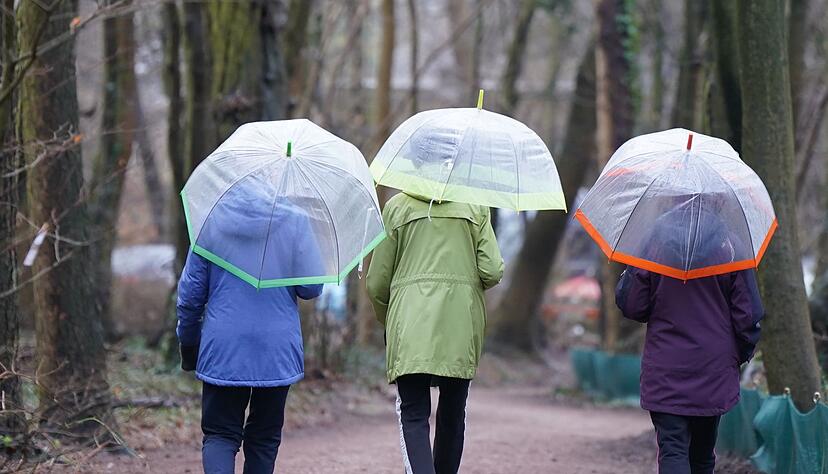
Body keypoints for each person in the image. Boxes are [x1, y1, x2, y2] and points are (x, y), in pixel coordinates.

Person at [176, 191, 323, 474]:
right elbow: (311, 288)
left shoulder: (210, 220)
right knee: (264, 438)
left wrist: (189, 343)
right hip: (276, 347)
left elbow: (190, 297)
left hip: (224, 346)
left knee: (220, 434)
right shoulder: (294, 219)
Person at [615, 208, 764, 474]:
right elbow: (748, 316)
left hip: (666, 366)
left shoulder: (654, 243)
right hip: (713, 367)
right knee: (703, 454)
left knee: (672, 449)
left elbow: (633, 305)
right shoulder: (731, 246)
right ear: (717, 200)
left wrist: (630, 275)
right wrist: (736, 356)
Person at [366, 191, 504, 474]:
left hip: (410, 323)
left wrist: (390, 321)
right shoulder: (475, 204)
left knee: (414, 413)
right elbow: (491, 271)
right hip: (461, 324)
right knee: (453, 414)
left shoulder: (396, 208)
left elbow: (377, 282)